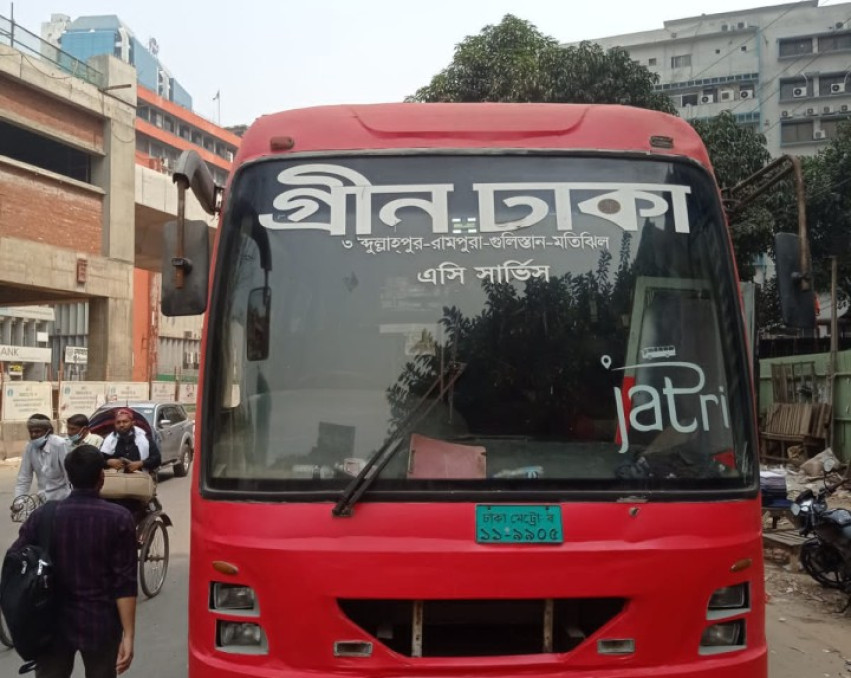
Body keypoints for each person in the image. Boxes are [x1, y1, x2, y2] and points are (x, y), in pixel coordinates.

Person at [9, 445, 137, 677]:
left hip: (51, 623)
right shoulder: (119, 519)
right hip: (100, 623)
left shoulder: (43, 516)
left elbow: (17, 563)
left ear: (68, 476)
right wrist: (128, 635)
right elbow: (124, 583)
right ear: (101, 477)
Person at [14, 414, 71, 503]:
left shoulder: (59, 444)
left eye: (37, 431)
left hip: (62, 498)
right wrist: (18, 501)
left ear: (48, 431)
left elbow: (69, 474)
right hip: (42, 499)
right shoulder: (29, 447)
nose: (33, 435)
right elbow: (24, 477)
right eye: (31, 432)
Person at [100, 408, 161, 472]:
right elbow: (98, 460)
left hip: (140, 478)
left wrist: (140, 463)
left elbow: (157, 460)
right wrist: (108, 462)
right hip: (117, 479)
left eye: (125, 422)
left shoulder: (145, 439)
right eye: (118, 422)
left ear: (133, 423)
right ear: (114, 424)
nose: (121, 425)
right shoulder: (109, 440)